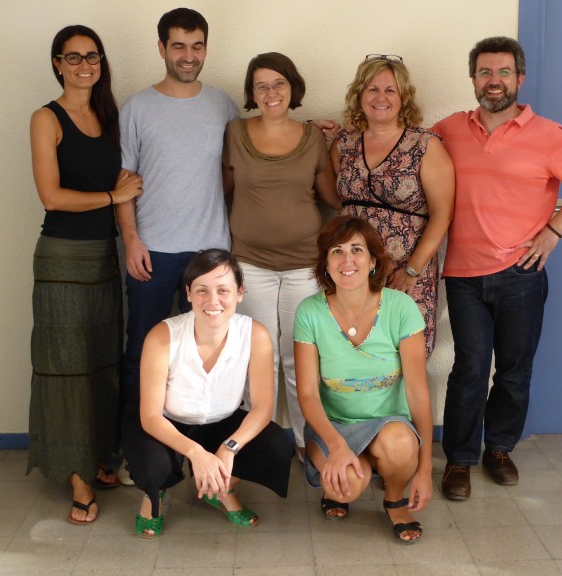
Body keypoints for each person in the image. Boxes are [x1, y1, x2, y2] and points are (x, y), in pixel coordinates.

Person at [432, 37, 562, 499]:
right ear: (473, 79)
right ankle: (460, 459)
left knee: (513, 371)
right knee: (469, 369)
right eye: (485, 72)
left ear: (519, 79)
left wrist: (554, 232)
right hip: (463, 274)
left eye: (504, 72)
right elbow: (404, 149)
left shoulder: (548, 134)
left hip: (522, 275)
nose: (494, 81)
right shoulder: (447, 130)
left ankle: (500, 448)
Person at [26, 24, 143, 525]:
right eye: (72, 57)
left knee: (100, 362)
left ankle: (95, 457)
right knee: (68, 367)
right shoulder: (45, 118)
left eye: (91, 56)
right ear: (57, 63)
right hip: (61, 258)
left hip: (103, 256)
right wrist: (113, 196)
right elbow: (51, 196)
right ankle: (77, 477)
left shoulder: (109, 116)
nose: (83, 65)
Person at [118, 8, 240, 452]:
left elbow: (240, 164)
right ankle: (138, 453)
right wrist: (132, 240)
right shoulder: (137, 108)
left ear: (206, 48)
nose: (189, 56)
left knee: (211, 355)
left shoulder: (223, 105)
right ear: (161, 48)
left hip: (210, 256)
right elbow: (123, 182)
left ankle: (205, 452)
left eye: (197, 46)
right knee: (142, 355)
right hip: (152, 251)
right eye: (179, 46)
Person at [128, 249, 294, 538]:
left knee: (277, 445)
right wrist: (196, 454)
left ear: (240, 293)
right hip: (168, 423)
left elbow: (262, 408)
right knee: (153, 466)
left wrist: (228, 449)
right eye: (202, 290)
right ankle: (154, 495)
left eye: (223, 290)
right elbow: (151, 417)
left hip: (221, 421)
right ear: (188, 293)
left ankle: (221, 488)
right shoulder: (162, 335)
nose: (213, 300)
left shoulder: (255, 334)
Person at [223, 52, 340, 458]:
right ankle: (260, 448)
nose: (270, 92)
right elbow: (220, 190)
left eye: (279, 83)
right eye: (261, 86)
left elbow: (333, 198)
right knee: (260, 358)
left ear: (293, 88)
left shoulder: (313, 138)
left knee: (299, 359)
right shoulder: (235, 133)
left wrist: (341, 144)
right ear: (252, 93)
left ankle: (309, 445)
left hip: (304, 265)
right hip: (250, 263)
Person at [293, 216, 433, 544]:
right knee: (346, 486)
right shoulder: (309, 312)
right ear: (326, 264)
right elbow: (308, 394)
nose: (347, 260)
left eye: (357, 250)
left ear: (373, 261)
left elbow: (418, 394)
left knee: (399, 446)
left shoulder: (401, 307)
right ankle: (358, 463)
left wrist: (424, 469)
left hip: (389, 424)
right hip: (334, 425)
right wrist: (337, 447)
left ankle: (394, 498)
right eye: (336, 251)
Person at [332, 55, 454, 357]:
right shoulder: (344, 144)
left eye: (391, 90)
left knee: (404, 359)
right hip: (352, 273)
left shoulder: (425, 146)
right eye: (372, 89)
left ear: (404, 97)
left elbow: (442, 214)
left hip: (404, 275)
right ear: (359, 94)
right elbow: (338, 199)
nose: (381, 98)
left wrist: (412, 270)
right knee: (351, 359)